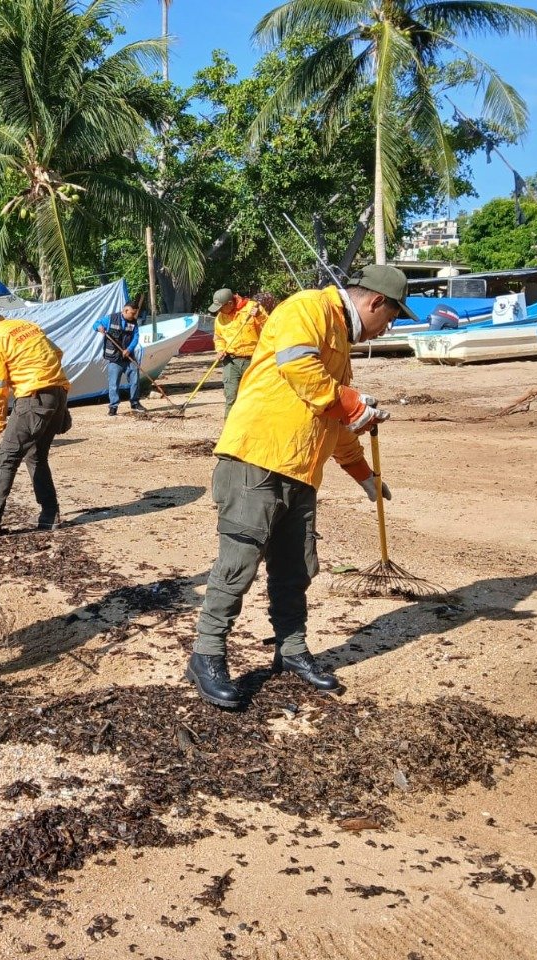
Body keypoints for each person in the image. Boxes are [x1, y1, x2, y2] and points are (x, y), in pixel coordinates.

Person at [187, 265, 416, 710]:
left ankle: (290, 650)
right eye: (389, 318)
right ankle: (206, 655)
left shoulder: (341, 344)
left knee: (295, 569)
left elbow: (334, 418)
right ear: (375, 302)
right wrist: (352, 402)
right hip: (255, 461)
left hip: (300, 470)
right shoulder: (309, 308)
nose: (386, 328)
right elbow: (298, 366)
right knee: (237, 566)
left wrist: (363, 474)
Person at [0, 297, 71, 539]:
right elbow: (57, 353)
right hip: (57, 393)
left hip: (33, 397)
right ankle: (50, 514)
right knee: (35, 455)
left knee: (6, 457)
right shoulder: (26, 326)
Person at [208, 288, 270, 418]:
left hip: (253, 360)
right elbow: (219, 338)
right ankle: (229, 427)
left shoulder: (252, 308)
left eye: (221, 307)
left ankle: (253, 425)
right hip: (231, 361)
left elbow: (269, 327)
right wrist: (220, 350)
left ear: (230, 303)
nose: (219, 311)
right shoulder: (220, 318)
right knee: (231, 396)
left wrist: (259, 316)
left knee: (254, 396)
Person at [93, 300, 145, 415]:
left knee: (135, 381)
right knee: (113, 384)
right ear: (125, 310)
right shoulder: (110, 319)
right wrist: (99, 327)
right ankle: (113, 406)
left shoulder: (133, 322)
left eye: (135, 313)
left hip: (129, 358)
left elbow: (136, 337)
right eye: (132, 313)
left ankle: (135, 403)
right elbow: (95, 324)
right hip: (114, 359)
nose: (133, 316)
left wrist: (129, 350)